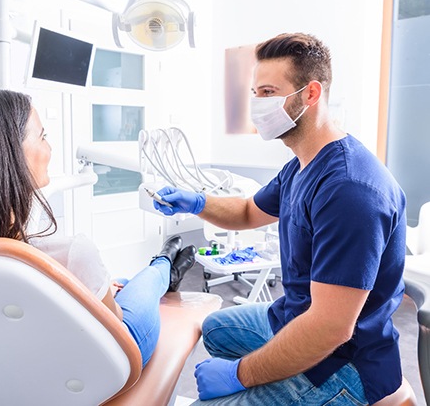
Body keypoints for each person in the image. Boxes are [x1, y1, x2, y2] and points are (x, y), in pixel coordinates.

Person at [153, 33, 406, 405]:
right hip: (297, 315)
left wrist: (240, 374)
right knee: (214, 330)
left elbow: (330, 328)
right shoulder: (300, 166)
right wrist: (196, 203)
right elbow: (246, 211)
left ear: (310, 94)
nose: (257, 105)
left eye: (269, 92)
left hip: (343, 363)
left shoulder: (350, 190)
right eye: (255, 93)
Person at [0, 87, 197, 368]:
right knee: (143, 285)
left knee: (121, 282)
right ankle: (163, 265)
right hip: (103, 369)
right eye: (42, 136)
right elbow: (115, 331)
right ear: (8, 156)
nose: (50, 147)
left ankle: (153, 272)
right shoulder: (71, 254)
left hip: (5, 373)